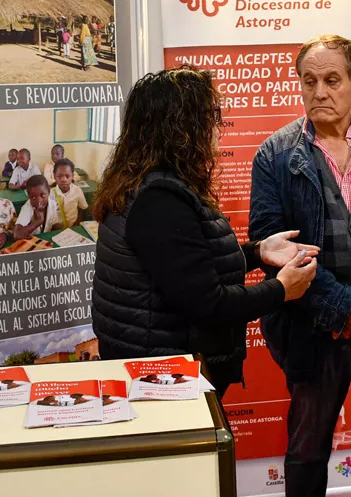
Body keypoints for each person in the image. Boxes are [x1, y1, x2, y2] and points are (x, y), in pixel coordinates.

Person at [90, 67, 320, 395]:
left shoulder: (148, 186)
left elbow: (184, 269)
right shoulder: (159, 201)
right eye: (211, 116)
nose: (218, 126)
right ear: (182, 127)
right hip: (168, 379)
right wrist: (281, 289)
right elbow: (207, 303)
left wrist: (257, 252)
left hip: (161, 369)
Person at [249, 34, 351, 497]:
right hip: (311, 328)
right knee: (308, 450)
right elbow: (273, 247)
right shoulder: (275, 154)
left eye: (332, 80)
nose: (319, 91)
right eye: (309, 81)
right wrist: (341, 304)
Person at [15, 174, 60, 238]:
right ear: (28, 196)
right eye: (33, 197)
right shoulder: (27, 208)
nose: (39, 201)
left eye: (43, 195)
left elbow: (54, 225)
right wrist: (38, 221)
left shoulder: (52, 204)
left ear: (49, 192)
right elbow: (17, 235)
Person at [51, 158, 89, 229]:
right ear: (54, 176)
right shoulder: (50, 194)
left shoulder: (77, 191)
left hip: (73, 227)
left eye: (67, 176)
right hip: (55, 229)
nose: (64, 179)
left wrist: (78, 222)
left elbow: (82, 208)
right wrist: (53, 227)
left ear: (72, 176)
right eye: (59, 176)